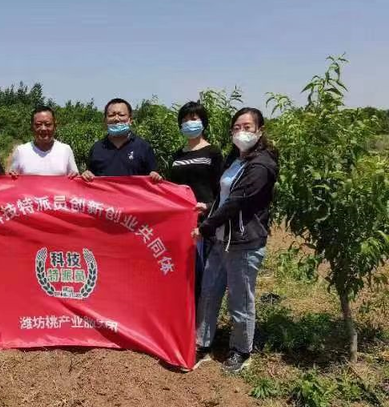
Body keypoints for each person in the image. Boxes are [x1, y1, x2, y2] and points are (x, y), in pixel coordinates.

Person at [193, 107, 278, 373]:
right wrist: (207, 207)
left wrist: (205, 227)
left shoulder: (262, 166)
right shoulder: (235, 160)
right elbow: (224, 198)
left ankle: (241, 350)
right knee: (208, 293)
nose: (242, 132)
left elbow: (238, 203)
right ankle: (201, 344)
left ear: (259, 131)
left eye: (248, 127)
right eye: (237, 128)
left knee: (240, 300)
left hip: (243, 243)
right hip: (221, 240)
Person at [169, 101, 223, 302]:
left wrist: (209, 208)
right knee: (181, 273)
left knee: (201, 275)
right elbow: (172, 189)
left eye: (193, 118)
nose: (189, 123)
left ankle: (199, 327)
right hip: (180, 223)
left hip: (202, 222)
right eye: (184, 120)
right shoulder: (178, 155)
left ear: (203, 122)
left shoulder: (213, 153)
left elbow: (221, 189)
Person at [81, 98, 162, 182]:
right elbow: (90, 177)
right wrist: (86, 175)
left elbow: (153, 180)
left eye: (121, 115)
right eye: (111, 115)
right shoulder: (96, 148)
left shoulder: (143, 147)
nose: (116, 119)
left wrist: (154, 176)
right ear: (105, 121)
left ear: (130, 120)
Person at [9, 106, 79, 176]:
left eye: (48, 124)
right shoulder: (21, 151)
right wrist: (11, 175)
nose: (43, 128)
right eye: (38, 125)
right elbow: (12, 181)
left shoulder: (65, 150)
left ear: (55, 126)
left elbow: (75, 179)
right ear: (32, 127)